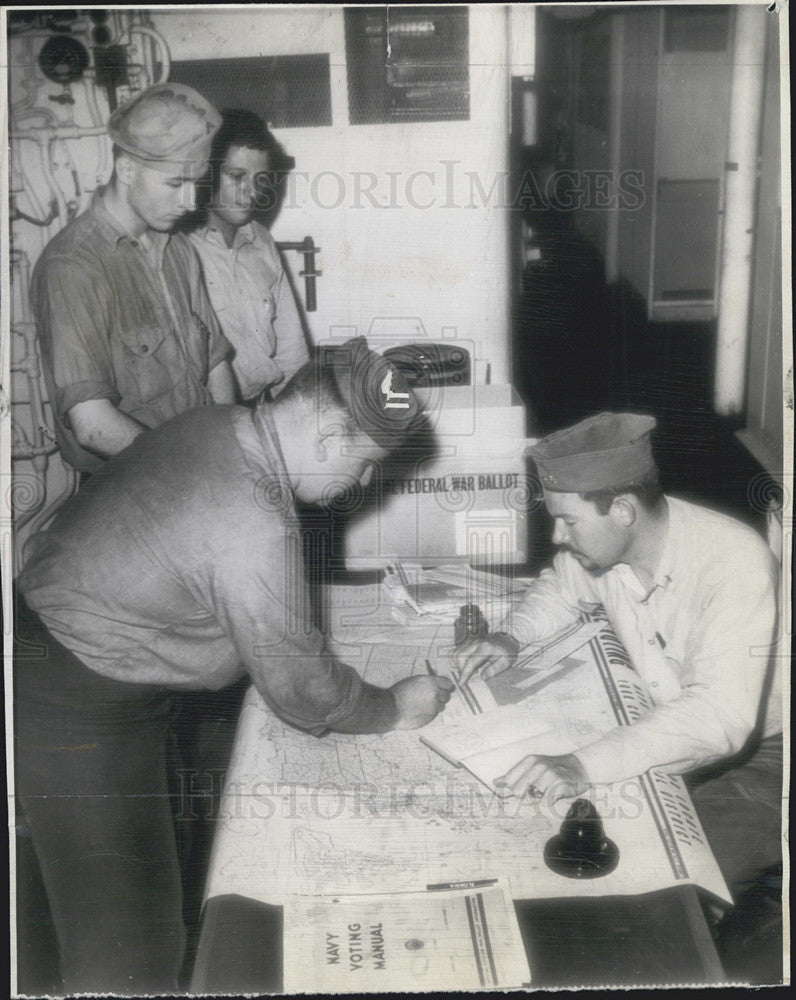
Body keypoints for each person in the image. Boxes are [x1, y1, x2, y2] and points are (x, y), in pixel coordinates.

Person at [14, 338, 453, 994]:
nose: (359, 486)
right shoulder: (254, 515)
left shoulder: (220, 423)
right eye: (366, 464)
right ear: (331, 434)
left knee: (105, 898)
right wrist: (394, 706)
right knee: (132, 949)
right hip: (76, 697)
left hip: (69, 654)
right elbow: (303, 691)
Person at [457, 412, 782, 903]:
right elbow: (561, 587)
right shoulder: (611, 547)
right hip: (675, 728)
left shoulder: (733, 562)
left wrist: (580, 765)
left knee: (681, 884)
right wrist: (511, 637)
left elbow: (718, 718)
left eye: (569, 521)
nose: (557, 537)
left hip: (770, 752)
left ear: (624, 510)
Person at [30, 83, 236, 474]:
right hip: (129, 488)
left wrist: (230, 450)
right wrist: (195, 469)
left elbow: (215, 366)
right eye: (176, 184)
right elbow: (93, 427)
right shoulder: (72, 266)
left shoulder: (179, 251)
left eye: (197, 183)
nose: (191, 201)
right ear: (126, 170)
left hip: (200, 472)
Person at [182, 109, 309, 402]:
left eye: (260, 179)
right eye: (236, 176)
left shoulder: (261, 240)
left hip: (263, 408)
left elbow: (292, 350)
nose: (252, 191)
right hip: (207, 419)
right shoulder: (181, 247)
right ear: (206, 173)